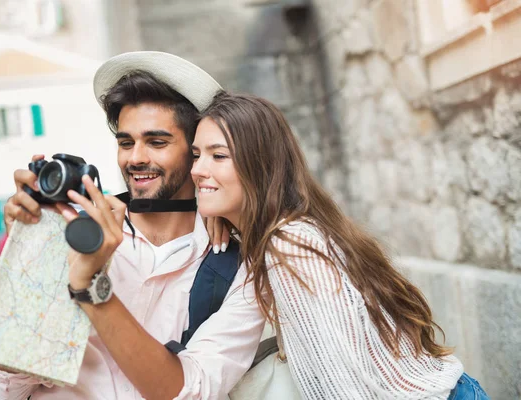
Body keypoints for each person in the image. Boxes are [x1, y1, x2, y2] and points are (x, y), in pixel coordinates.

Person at [0, 52, 265, 399]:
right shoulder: (68, 231)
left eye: (157, 142)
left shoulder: (240, 267)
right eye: (126, 142)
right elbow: (9, 387)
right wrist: (30, 263)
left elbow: (195, 390)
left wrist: (89, 284)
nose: (135, 158)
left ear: (195, 153)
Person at [191, 92, 489, 399]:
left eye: (219, 156)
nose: (197, 170)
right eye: (196, 154)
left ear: (260, 165)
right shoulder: (285, 234)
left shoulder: (290, 247)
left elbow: (343, 387)